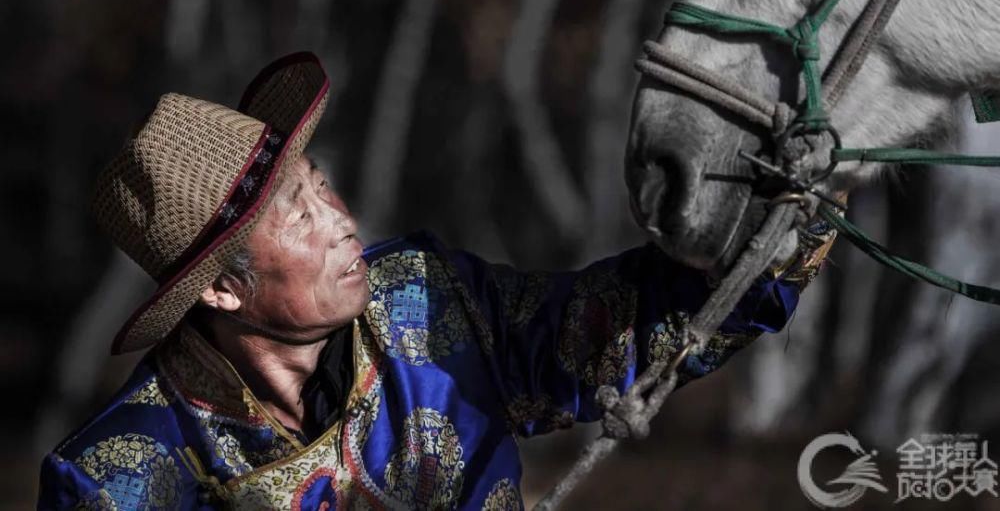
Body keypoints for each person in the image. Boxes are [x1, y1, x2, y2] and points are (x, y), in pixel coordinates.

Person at [37, 52, 834, 509]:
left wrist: (768, 223)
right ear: (219, 289)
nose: (342, 218)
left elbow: (611, 329)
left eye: (321, 184)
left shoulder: (423, 300)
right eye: (298, 214)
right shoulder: (117, 478)